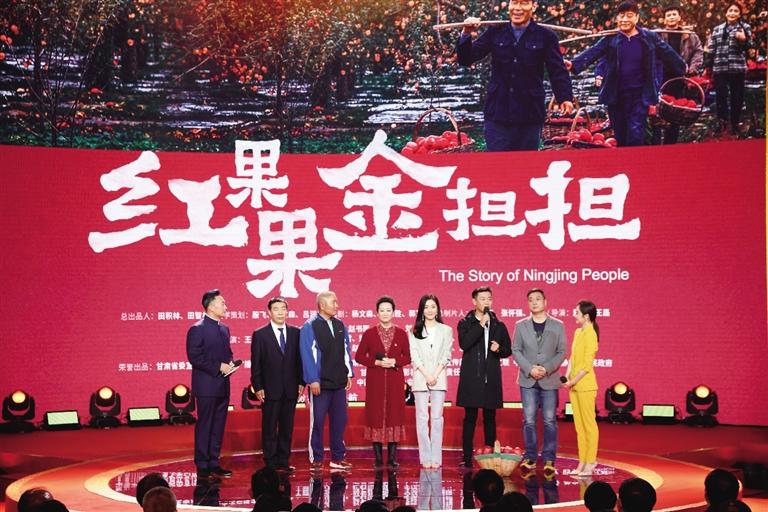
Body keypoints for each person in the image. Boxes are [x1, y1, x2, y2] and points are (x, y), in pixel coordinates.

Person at [456, 0, 574, 151]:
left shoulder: (546, 36)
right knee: (497, 162)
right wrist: (466, 33)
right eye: (514, 3)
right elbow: (466, 59)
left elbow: (557, 70)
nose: (518, 9)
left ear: (534, 7)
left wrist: (565, 98)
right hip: (498, 113)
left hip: (530, 114)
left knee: (526, 163)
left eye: (523, 3)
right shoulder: (495, 32)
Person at [568, 1, 685, 146]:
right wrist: (574, 64)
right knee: (620, 134)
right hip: (616, 94)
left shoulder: (649, 37)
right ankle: (625, 158)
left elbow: (668, 53)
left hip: (640, 94)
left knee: (636, 133)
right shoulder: (611, 38)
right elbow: (593, 52)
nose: (625, 19)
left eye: (629, 16)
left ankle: (635, 158)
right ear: (617, 18)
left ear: (636, 18)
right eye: (621, 16)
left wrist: (682, 68)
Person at [512, 288, 566, 475]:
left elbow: (562, 351)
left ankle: (549, 458)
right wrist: (530, 369)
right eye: (531, 300)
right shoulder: (521, 325)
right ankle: (530, 457)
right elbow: (516, 350)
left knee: (550, 420)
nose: (534, 302)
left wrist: (546, 368)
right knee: (529, 420)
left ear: (545, 302)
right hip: (528, 380)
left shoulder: (558, 325)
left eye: (538, 299)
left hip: (549, 379)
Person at [456, 286, 512, 468]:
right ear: (474, 301)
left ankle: (489, 456)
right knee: (470, 417)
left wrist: (499, 349)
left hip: (491, 378)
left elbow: (508, 350)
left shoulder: (498, 325)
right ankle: (466, 457)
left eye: (489, 298)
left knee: (490, 417)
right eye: (482, 299)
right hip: (472, 378)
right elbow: (465, 344)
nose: (487, 302)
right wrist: (480, 325)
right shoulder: (465, 323)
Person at [300, 291, 354, 471]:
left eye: (337, 302)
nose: (337, 305)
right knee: (317, 422)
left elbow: (346, 350)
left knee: (340, 420)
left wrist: (348, 374)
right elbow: (307, 354)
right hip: (320, 384)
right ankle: (316, 458)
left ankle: (337, 458)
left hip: (339, 383)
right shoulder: (310, 326)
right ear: (322, 305)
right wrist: (312, 379)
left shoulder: (340, 325)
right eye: (333, 302)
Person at [355, 296, 411, 468]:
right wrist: (376, 362)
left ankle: (392, 458)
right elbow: (359, 356)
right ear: (377, 313)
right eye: (382, 310)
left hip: (395, 381)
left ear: (393, 313)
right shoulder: (369, 333)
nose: (385, 313)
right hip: (375, 381)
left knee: (394, 414)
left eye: (388, 310)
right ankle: (378, 458)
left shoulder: (401, 334)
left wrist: (395, 361)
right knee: (376, 415)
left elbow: (408, 357)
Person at [251, 296, 305, 473]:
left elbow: (299, 360)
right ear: (269, 312)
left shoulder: (296, 333)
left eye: (283, 309)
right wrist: (258, 386)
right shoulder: (260, 334)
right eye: (276, 309)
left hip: (291, 388)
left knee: (287, 428)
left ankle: (283, 460)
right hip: (269, 389)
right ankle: (270, 461)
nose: (280, 312)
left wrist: (301, 381)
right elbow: (256, 363)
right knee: (269, 427)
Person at [186, 289, 235, 479]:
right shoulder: (197, 329)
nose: (226, 307)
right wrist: (218, 366)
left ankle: (214, 462)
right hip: (206, 386)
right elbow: (195, 357)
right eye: (222, 303)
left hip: (223, 384)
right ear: (211, 306)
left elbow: (227, 353)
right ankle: (202, 463)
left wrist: (230, 364)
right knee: (205, 424)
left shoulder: (224, 329)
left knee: (218, 425)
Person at [408, 294, 453, 469]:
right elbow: (414, 356)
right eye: (426, 307)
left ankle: (436, 457)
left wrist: (435, 374)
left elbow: (446, 355)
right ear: (421, 310)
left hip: (439, 377)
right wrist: (427, 375)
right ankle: (425, 457)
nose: (430, 310)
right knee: (422, 418)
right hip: (421, 377)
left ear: (438, 309)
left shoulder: (446, 330)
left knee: (437, 418)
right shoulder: (414, 330)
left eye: (433, 306)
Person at [652, 4, 705, 144]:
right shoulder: (658, 35)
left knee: (676, 110)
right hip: (661, 76)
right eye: (668, 15)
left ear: (679, 17)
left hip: (681, 77)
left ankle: (671, 142)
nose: (671, 17)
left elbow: (698, 52)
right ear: (664, 19)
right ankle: (655, 141)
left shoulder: (689, 35)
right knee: (658, 109)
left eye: (674, 14)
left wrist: (693, 68)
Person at [562, 300, 600, 476]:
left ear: (586, 316)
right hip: (574, 386)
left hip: (586, 386)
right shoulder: (578, 332)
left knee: (589, 426)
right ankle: (582, 461)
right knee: (579, 427)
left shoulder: (591, 335)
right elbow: (572, 357)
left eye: (577, 312)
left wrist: (573, 381)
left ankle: (590, 461)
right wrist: (567, 376)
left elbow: (586, 366)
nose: (574, 315)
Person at [706, 2, 752, 136]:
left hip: (737, 68)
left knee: (737, 96)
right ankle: (723, 123)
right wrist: (708, 65)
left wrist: (743, 40)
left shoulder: (744, 28)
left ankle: (735, 123)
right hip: (720, 68)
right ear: (726, 13)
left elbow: (749, 48)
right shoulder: (717, 29)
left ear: (739, 14)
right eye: (730, 10)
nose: (732, 13)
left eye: (736, 11)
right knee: (721, 96)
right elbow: (712, 48)